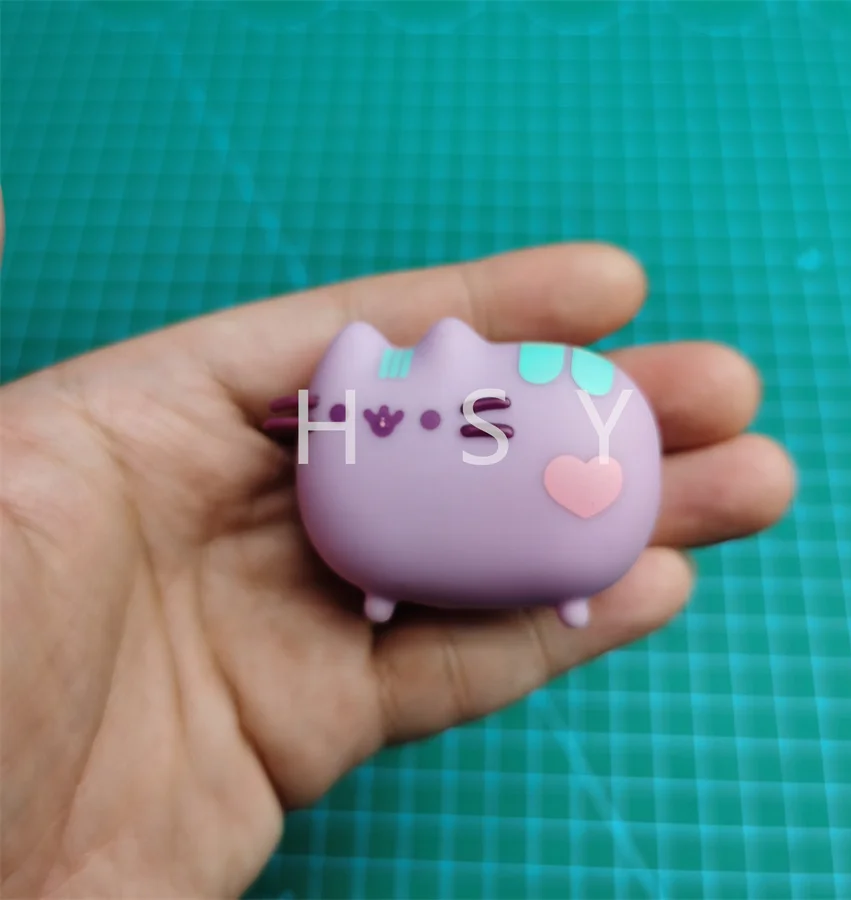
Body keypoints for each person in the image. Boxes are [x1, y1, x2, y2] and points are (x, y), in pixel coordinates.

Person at [0, 189, 795, 898]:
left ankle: (544, 580)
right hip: (423, 552)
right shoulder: (369, 475)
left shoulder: (455, 425)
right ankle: (551, 582)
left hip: (448, 547)